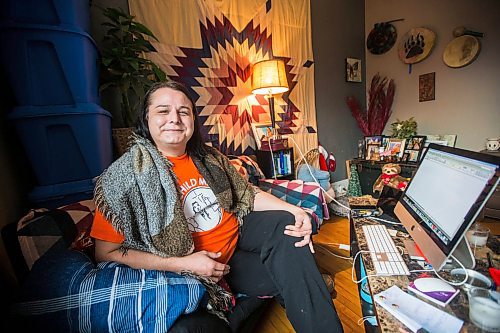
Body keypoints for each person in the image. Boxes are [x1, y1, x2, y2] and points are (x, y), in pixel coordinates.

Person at [90, 80, 343, 332]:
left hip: (237, 241)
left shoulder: (209, 157)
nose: (175, 119)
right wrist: (184, 264)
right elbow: (105, 253)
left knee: (289, 229)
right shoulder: (123, 178)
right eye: (163, 111)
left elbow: (247, 193)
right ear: (146, 120)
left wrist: (297, 210)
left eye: (183, 111)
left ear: (192, 120)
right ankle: (300, 287)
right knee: (296, 275)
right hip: (198, 271)